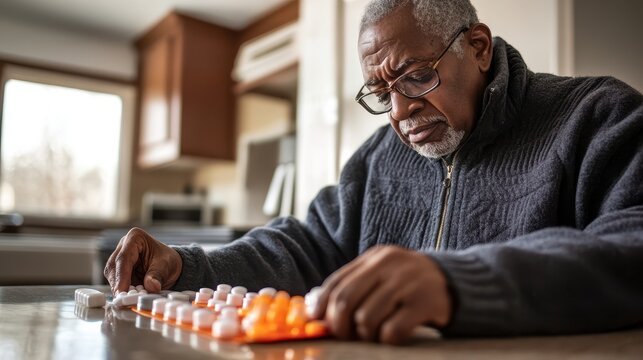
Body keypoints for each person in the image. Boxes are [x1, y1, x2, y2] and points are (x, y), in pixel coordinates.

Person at [104, 0, 643, 345]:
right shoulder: (379, 158)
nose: (400, 114)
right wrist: (188, 267)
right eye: (381, 93)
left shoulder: (596, 117)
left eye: (415, 77)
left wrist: (456, 284)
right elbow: (310, 246)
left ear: (478, 47)